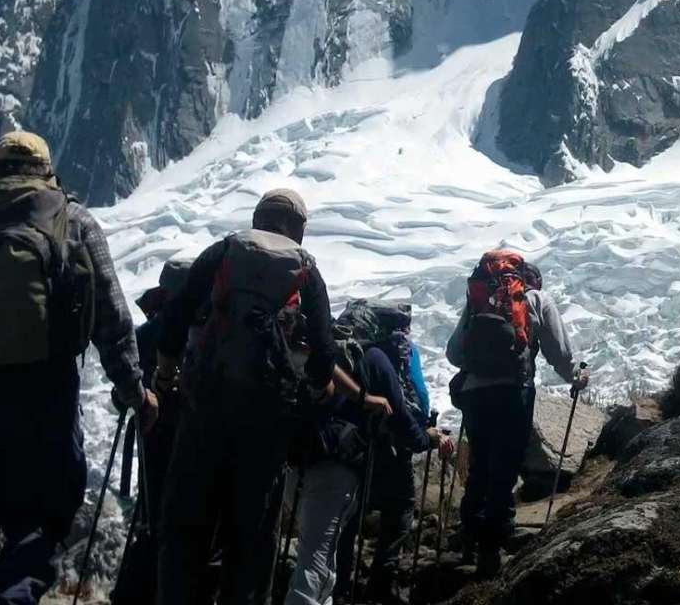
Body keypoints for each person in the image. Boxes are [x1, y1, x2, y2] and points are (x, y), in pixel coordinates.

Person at [0, 131, 156, 605]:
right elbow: (114, 319)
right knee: (35, 534)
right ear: (46, 168)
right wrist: (134, 390)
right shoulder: (73, 220)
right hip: (47, 404)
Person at [153, 188, 389, 605]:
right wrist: (320, 388)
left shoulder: (224, 251)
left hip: (203, 414)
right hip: (264, 427)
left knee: (186, 531)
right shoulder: (304, 269)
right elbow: (323, 349)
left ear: (257, 217)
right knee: (251, 540)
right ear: (298, 228)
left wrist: (167, 371)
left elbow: (177, 314)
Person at [446, 250, 588, 578]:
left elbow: (454, 353)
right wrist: (577, 376)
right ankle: (490, 553)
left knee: (480, 465)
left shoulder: (478, 301)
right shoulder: (537, 299)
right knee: (505, 467)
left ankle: (471, 534)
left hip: (474, 396)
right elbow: (559, 351)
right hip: (513, 391)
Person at [332, 342, 455, 605]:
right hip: (389, 452)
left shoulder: (352, 353)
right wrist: (426, 438)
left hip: (349, 449)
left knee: (348, 521)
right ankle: (381, 585)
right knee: (400, 509)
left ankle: (339, 586)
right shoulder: (396, 354)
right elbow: (404, 413)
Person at [110, 258, 198, 604]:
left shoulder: (147, 333)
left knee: (152, 521)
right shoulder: (206, 330)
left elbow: (121, 396)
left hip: (153, 437)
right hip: (194, 438)